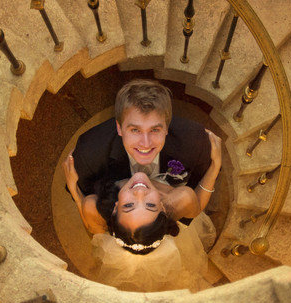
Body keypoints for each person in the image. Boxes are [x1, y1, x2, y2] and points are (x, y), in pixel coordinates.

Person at [63, 79, 222, 254]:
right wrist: (214, 169)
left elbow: (94, 226)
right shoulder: (88, 155)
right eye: (135, 130)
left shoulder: (194, 142)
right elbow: (195, 208)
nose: (145, 144)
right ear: (119, 127)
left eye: (155, 130)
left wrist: (77, 195)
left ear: (167, 127)